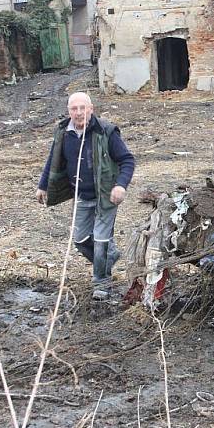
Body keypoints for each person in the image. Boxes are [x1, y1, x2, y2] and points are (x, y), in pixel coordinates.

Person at [36, 92, 135, 300]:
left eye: (83, 108)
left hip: (106, 196)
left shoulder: (106, 131)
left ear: (91, 109)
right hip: (81, 196)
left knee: (100, 240)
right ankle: (109, 257)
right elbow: (52, 160)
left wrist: (121, 186)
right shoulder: (64, 132)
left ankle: (102, 283)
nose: (79, 113)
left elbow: (127, 160)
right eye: (74, 109)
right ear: (68, 111)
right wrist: (42, 185)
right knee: (81, 241)